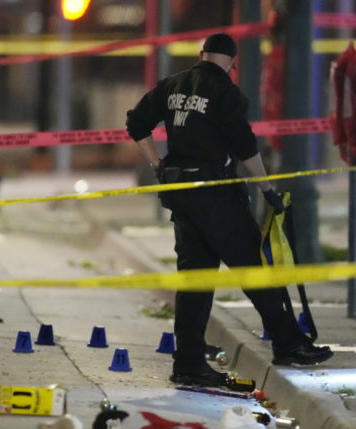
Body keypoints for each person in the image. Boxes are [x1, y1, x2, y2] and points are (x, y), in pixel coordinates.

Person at [126, 33, 333, 387]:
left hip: (181, 194)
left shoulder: (172, 85)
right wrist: (267, 188)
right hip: (216, 195)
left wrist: (158, 162)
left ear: (201, 54)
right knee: (254, 267)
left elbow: (136, 123)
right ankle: (288, 343)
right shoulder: (227, 93)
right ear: (232, 63)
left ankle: (188, 362)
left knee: (194, 280)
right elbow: (245, 146)